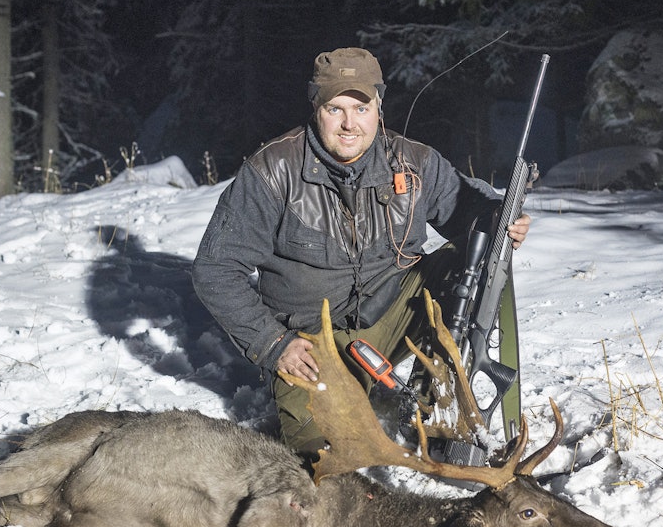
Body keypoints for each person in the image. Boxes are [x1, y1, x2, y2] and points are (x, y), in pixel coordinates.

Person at [192, 47, 530, 454]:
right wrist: (273, 343)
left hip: (392, 311)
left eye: (362, 107)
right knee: (325, 461)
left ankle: (437, 396)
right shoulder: (271, 172)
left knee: (473, 253)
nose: (350, 124)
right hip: (313, 345)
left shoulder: (413, 162)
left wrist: (500, 217)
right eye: (335, 109)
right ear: (316, 108)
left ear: (379, 108)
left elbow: (470, 207)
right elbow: (215, 269)